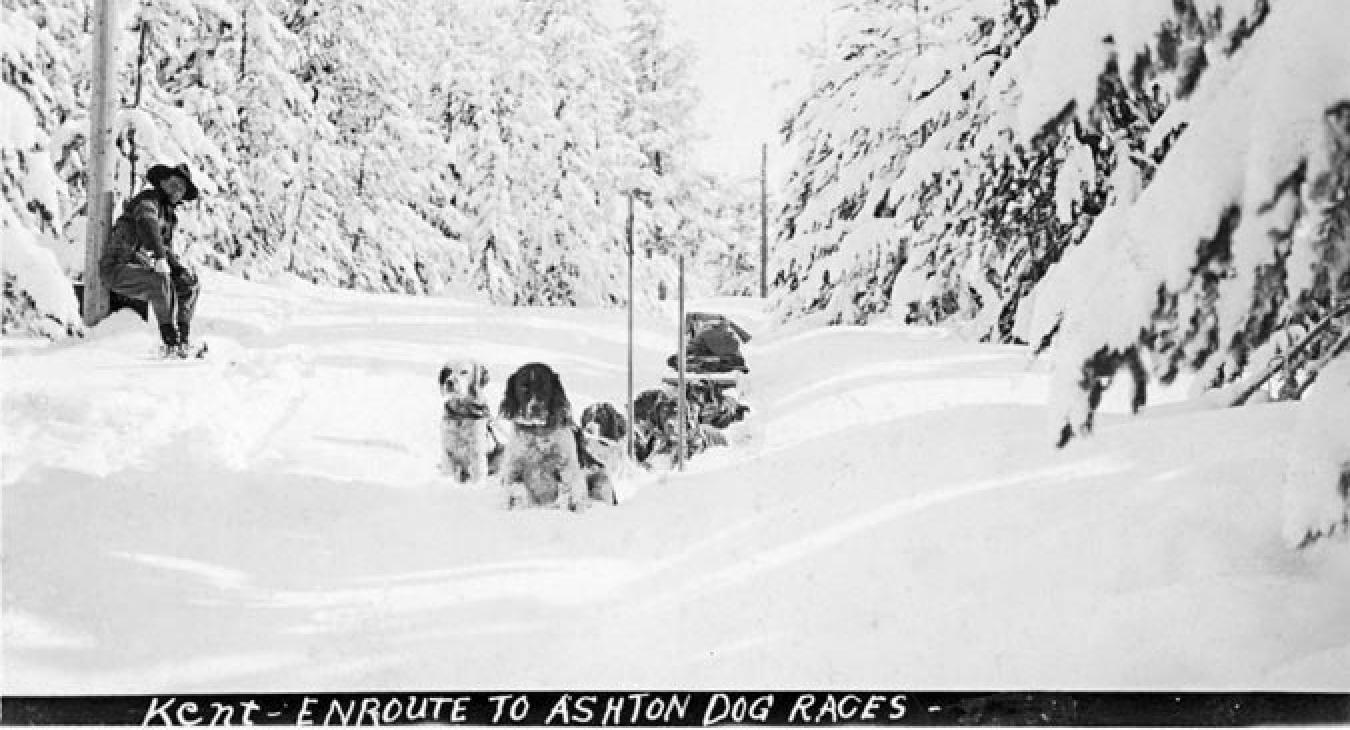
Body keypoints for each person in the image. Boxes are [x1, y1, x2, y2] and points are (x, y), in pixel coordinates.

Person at [100, 163, 202, 357]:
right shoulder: (148, 200)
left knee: (190, 285)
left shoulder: (169, 217)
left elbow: (165, 246)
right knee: (160, 281)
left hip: (138, 268)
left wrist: (178, 269)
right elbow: (148, 224)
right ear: (162, 182)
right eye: (174, 183)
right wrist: (159, 257)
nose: (177, 190)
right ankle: (170, 341)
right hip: (116, 267)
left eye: (182, 188)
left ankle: (183, 338)